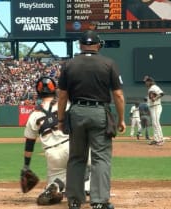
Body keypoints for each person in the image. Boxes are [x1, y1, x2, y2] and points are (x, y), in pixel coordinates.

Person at [57, 30, 126, 209]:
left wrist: (60, 119)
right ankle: (99, 201)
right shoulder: (108, 63)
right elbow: (118, 95)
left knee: (76, 157)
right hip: (99, 112)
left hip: (77, 111)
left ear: (80, 45)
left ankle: (74, 200)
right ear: (98, 45)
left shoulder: (69, 64)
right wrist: (121, 120)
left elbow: (62, 96)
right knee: (100, 158)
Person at [21, 76, 90, 205]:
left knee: (56, 180)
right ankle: (87, 184)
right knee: (89, 160)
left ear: (38, 92)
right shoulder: (66, 104)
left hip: (52, 154)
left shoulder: (34, 115)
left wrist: (26, 166)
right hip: (71, 146)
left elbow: (29, 144)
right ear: (55, 89)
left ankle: (55, 186)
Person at [144, 75, 164, 146]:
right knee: (154, 123)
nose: (145, 83)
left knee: (156, 123)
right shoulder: (151, 88)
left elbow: (162, 93)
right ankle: (156, 139)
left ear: (150, 82)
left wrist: (155, 99)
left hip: (156, 107)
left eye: (146, 81)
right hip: (153, 107)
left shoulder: (154, 87)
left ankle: (161, 139)